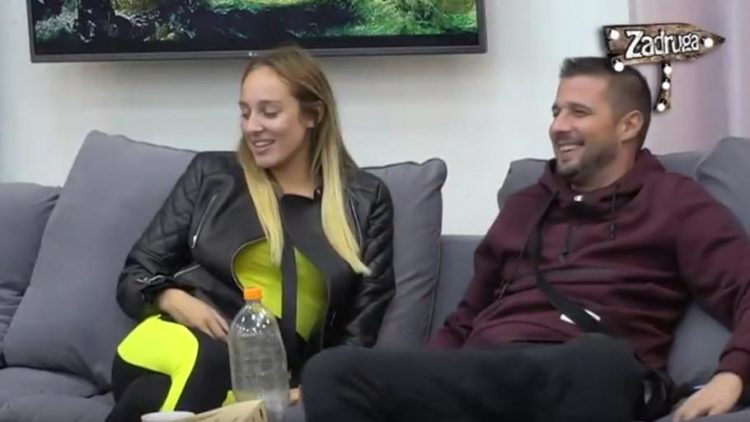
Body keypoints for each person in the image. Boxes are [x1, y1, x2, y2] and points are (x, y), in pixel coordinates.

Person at [299, 57, 750, 422]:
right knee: (330, 371)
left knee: (598, 362)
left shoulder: (674, 201)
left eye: (578, 112)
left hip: (583, 373)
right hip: (486, 371)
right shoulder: (525, 206)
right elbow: (465, 319)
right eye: (556, 112)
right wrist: (426, 374)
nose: (558, 126)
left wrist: (733, 374)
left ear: (628, 125)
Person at [105, 45, 395, 422]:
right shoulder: (213, 176)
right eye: (245, 113)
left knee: (149, 399)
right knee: (210, 359)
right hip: (168, 343)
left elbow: (363, 321)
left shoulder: (364, 200)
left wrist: (317, 383)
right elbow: (136, 274)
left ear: (313, 114)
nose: (252, 126)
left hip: (252, 374)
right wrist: (174, 299)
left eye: (268, 112)